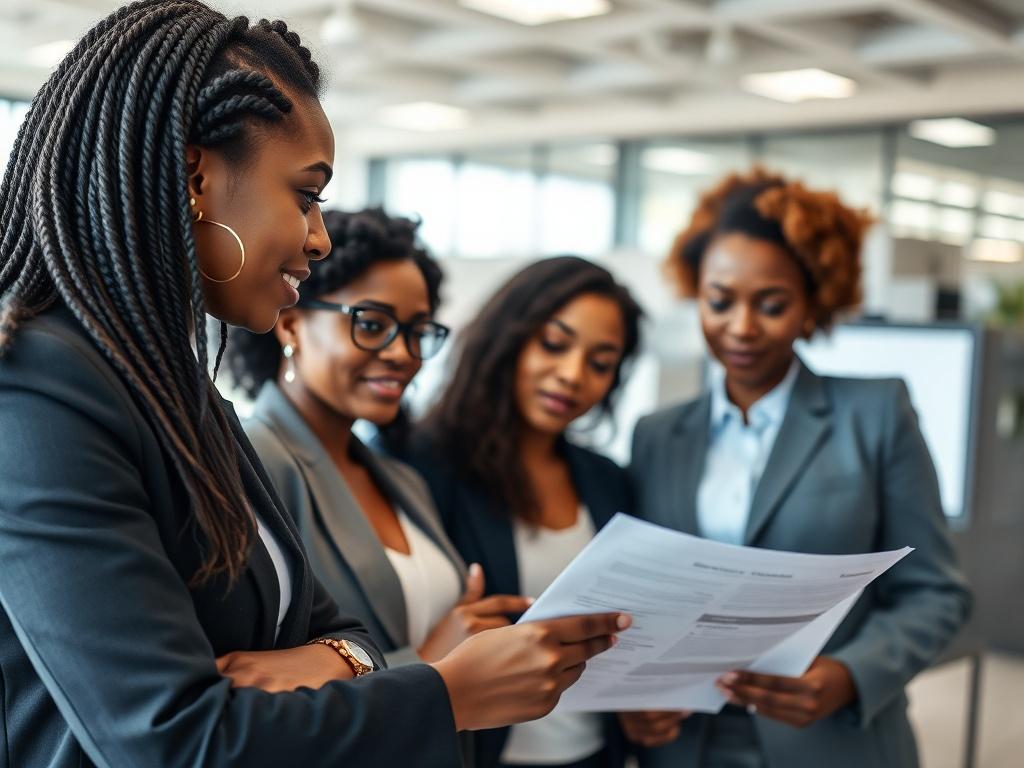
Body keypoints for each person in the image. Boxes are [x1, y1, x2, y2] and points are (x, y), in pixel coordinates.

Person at [0, 4, 629, 767]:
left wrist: (342, 659)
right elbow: (171, 743)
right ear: (197, 176)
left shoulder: (179, 397)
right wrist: (447, 690)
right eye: (305, 195)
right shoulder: (36, 393)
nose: (318, 237)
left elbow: (342, 627)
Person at [627, 168, 972, 768]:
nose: (742, 327)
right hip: (688, 744)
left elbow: (936, 592)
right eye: (720, 301)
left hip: (831, 738)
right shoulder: (657, 435)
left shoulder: (875, 413)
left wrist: (849, 674)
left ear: (813, 302)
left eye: (772, 304)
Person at [226, 206, 530, 672]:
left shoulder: (401, 480)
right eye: (371, 324)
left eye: (417, 332)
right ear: (291, 324)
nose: (402, 354)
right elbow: (255, 680)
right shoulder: (249, 462)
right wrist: (431, 663)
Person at [404, 256, 644, 768]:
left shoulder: (607, 479)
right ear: (507, 337)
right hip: (478, 751)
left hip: (595, 752)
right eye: (553, 345)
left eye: (600, 363)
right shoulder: (420, 467)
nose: (572, 375)